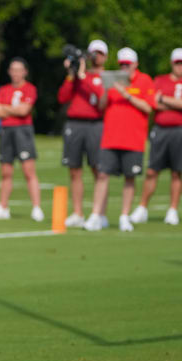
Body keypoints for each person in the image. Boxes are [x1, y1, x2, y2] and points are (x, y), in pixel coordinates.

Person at [84, 47, 154, 232]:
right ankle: (96, 215)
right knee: (102, 175)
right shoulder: (112, 80)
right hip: (111, 137)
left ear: (135, 65)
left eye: (127, 65)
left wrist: (127, 94)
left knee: (130, 178)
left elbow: (148, 107)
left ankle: (124, 216)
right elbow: (101, 105)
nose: (124, 68)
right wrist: (107, 90)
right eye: (122, 64)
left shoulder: (144, 80)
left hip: (134, 139)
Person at [58, 40, 108, 228]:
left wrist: (82, 76)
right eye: (92, 53)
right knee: (74, 169)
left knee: (98, 170)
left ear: (105, 57)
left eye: (99, 54)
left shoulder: (105, 76)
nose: (95, 57)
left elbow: (102, 98)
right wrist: (72, 75)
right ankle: (78, 212)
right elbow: (63, 97)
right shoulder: (79, 76)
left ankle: (100, 213)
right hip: (75, 124)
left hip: (95, 124)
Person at [129, 48, 182, 226]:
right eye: (177, 63)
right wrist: (175, 104)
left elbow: (162, 102)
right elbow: (153, 103)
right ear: (172, 63)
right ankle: (142, 207)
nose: (180, 66)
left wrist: (165, 100)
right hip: (160, 130)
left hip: (179, 130)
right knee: (152, 171)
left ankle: (173, 210)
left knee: (177, 172)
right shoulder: (159, 80)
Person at [0, 57, 44, 221]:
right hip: (6, 131)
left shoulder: (29, 88)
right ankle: (3, 207)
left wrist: (7, 109)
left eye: (19, 70)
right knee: (5, 171)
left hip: (22, 131)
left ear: (25, 72)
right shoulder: (4, 89)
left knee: (28, 170)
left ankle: (36, 207)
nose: (16, 73)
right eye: (13, 70)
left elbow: (24, 110)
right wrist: (13, 109)